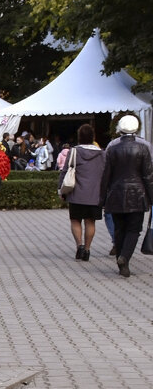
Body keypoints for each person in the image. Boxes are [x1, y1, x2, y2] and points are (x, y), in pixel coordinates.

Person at [101, 115, 153, 277]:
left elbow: (106, 175)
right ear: (136, 128)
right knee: (134, 229)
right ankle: (125, 257)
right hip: (137, 194)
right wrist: (151, 198)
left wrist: (102, 197)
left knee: (119, 229)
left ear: (120, 129)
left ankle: (122, 264)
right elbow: (148, 176)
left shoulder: (112, 148)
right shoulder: (143, 147)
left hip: (116, 193)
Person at [58, 123, 105, 261]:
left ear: (79, 137)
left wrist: (61, 189)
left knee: (75, 220)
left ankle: (79, 246)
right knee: (90, 222)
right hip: (95, 194)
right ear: (93, 137)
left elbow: (65, 171)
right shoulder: (102, 153)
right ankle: (88, 249)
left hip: (76, 194)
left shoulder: (74, 151)